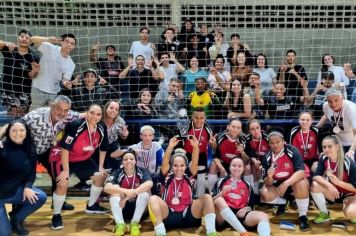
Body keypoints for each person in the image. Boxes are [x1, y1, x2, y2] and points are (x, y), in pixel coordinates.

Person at [0, 95, 80, 211]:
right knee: (22, 176)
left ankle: (58, 201)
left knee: (58, 174)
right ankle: (16, 211)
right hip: (27, 150)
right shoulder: (36, 116)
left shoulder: (68, 115)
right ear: (52, 106)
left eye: (65, 110)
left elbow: (86, 114)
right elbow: (11, 125)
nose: (62, 113)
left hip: (45, 149)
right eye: (59, 109)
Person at [48, 104, 109, 230]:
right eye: (92, 112)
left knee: (100, 177)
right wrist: (65, 171)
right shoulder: (77, 125)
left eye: (98, 114)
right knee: (62, 182)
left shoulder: (101, 127)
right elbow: (65, 148)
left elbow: (103, 148)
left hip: (82, 159)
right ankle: (56, 215)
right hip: (61, 157)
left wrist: (101, 166)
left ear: (101, 116)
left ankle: (91, 206)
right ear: (87, 112)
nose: (94, 116)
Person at [148, 136, 218, 236]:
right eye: (175, 165)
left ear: (186, 166)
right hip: (169, 215)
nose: (179, 169)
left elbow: (195, 161)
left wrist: (195, 146)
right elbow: (165, 163)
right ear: (171, 166)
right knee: (153, 199)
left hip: (189, 214)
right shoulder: (167, 175)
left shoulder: (189, 174)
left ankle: (211, 232)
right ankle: (160, 232)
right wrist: (170, 147)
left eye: (182, 165)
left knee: (207, 197)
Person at [0, 119, 47, 236]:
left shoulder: (30, 148)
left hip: (14, 191)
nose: (18, 133)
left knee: (40, 197)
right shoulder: (2, 148)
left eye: (21, 130)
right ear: (8, 132)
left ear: (26, 132)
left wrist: (27, 187)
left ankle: (16, 218)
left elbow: (31, 173)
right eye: (14, 130)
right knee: (5, 233)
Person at [260, 131, 310, 231]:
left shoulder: (292, 150)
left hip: (293, 181)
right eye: (272, 143)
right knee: (265, 193)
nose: (275, 145)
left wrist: (286, 184)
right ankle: (283, 202)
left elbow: (301, 172)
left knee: (301, 183)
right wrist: (269, 177)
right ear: (269, 144)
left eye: (278, 142)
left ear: (283, 141)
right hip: (277, 183)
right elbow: (267, 183)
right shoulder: (266, 157)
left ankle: (303, 216)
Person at [213, 157, 271, 236]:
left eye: (240, 166)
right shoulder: (221, 181)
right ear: (229, 167)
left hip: (240, 215)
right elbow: (212, 201)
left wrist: (246, 208)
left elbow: (251, 205)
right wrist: (221, 193)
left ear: (243, 169)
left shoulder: (248, 185)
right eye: (234, 165)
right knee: (219, 199)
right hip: (223, 217)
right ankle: (243, 232)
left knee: (264, 216)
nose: (236, 168)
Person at [104, 150, 153, 236]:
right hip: (122, 208)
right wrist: (125, 191)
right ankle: (120, 224)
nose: (129, 161)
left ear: (135, 161)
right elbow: (106, 187)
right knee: (114, 191)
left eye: (131, 159)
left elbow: (149, 183)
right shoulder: (117, 172)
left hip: (140, 210)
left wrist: (131, 193)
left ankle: (135, 223)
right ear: (122, 162)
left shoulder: (142, 171)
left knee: (146, 192)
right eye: (125, 159)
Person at [311, 135, 356, 224]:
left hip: (349, 194)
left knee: (351, 213)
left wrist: (338, 182)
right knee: (314, 185)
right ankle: (324, 214)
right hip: (333, 193)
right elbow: (316, 176)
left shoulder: (349, 162)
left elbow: (354, 188)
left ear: (337, 147)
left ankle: (352, 210)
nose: (326, 149)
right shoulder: (323, 158)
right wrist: (330, 185)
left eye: (329, 146)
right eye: (324, 147)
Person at [111, 125, 164, 195]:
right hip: (139, 176)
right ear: (141, 136)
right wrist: (130, 150)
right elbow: (113, 154)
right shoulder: (136, 147)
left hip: (152, 175)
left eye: (150, 135)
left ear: (153, 137)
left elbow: (163, 162)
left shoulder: (156, 146)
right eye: (144, 135)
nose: (147, 138)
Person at [29, 33, 76, 110]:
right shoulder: (50, 48)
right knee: (34, 114)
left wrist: (67, 84)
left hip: (53, 92)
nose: (69, 45)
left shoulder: (71, 64)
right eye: (67, 41)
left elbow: (65, 80)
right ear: (61, 42)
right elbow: (31, 39)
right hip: (38, 87)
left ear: (74, 47)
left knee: (51, 116)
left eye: (72, 43)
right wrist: (47, 39)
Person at [0, 29, 40, 115]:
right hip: (7, 88)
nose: (24, 39)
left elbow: (32, 76)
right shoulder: (10, 49)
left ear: (31, 42)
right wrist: (5, 43)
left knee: (22, 114)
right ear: (18, 38)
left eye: (27, 38)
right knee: (11, 113)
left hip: (24, 90)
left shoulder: (34, 56)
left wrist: (35, 71)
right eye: (22, 36)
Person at [208, 118, 251, 192]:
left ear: (240, 129)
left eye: (238, 128)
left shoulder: (244, 140)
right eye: (233, 127)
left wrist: (242, 152)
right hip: (223, 163)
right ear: (228, 127)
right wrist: (222, 169)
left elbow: (247, 161)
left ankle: (249, 191)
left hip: (237, 165)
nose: (235, 129)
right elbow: (215, 156)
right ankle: (212, 191)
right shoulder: (219, 137)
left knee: (248, 167)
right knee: (213, 165)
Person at [183, 107, 216, 197]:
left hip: (201, 154)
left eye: (201, 118)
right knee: (185, 173)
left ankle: (200, 197)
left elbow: (214, 147)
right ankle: (186, 195)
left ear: (205, 118)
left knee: (201, 175)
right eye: (196, 117)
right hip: (188, 154)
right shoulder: (185, 127)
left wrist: (213, 144)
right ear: (192, 117)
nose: (199, 120)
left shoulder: (209, 128)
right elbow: (180, 144)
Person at [317, 88, 356, 152]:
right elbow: (326, 115)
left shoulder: (352, 109)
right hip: (338, 142)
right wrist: (317, 126)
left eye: (336, 100)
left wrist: (351, 151)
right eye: (330, 101)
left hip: (353, 143)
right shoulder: (326, 106)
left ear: (342, 98)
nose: (333, 104)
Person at [244, 119, 270, 195]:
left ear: (261, 128)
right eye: (252, 129)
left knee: (259, 168)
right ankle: (249, 189)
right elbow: (249, 152)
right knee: (248, 167)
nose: (255, 131)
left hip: (265, 161)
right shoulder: (247, 139)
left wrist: (262, 163)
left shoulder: (267, 137)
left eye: (257, 128)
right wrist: (255, 160)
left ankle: (255, 188)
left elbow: (271, 153)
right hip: (254, 160)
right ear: (249, 131)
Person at [102, 100, 129, 171]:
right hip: (99, 148)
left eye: (116, 109)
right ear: (106, 108)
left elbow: (123, 136)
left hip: (113, 147)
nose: (113, 110)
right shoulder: (99, 118)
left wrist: (125, 134)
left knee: (115, 171)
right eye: (111, 108)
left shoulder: (120, 121)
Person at [290, 111, 319, 176]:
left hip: (314, 159)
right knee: (304, 174)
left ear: (312, 121)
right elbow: (289, 147)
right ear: (299, 120)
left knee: (317, 170)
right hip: (299, 160)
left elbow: (321, 145)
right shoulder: (294, 131)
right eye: (302, 120)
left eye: (308, 120)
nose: (305, 122)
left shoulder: (316, 130)